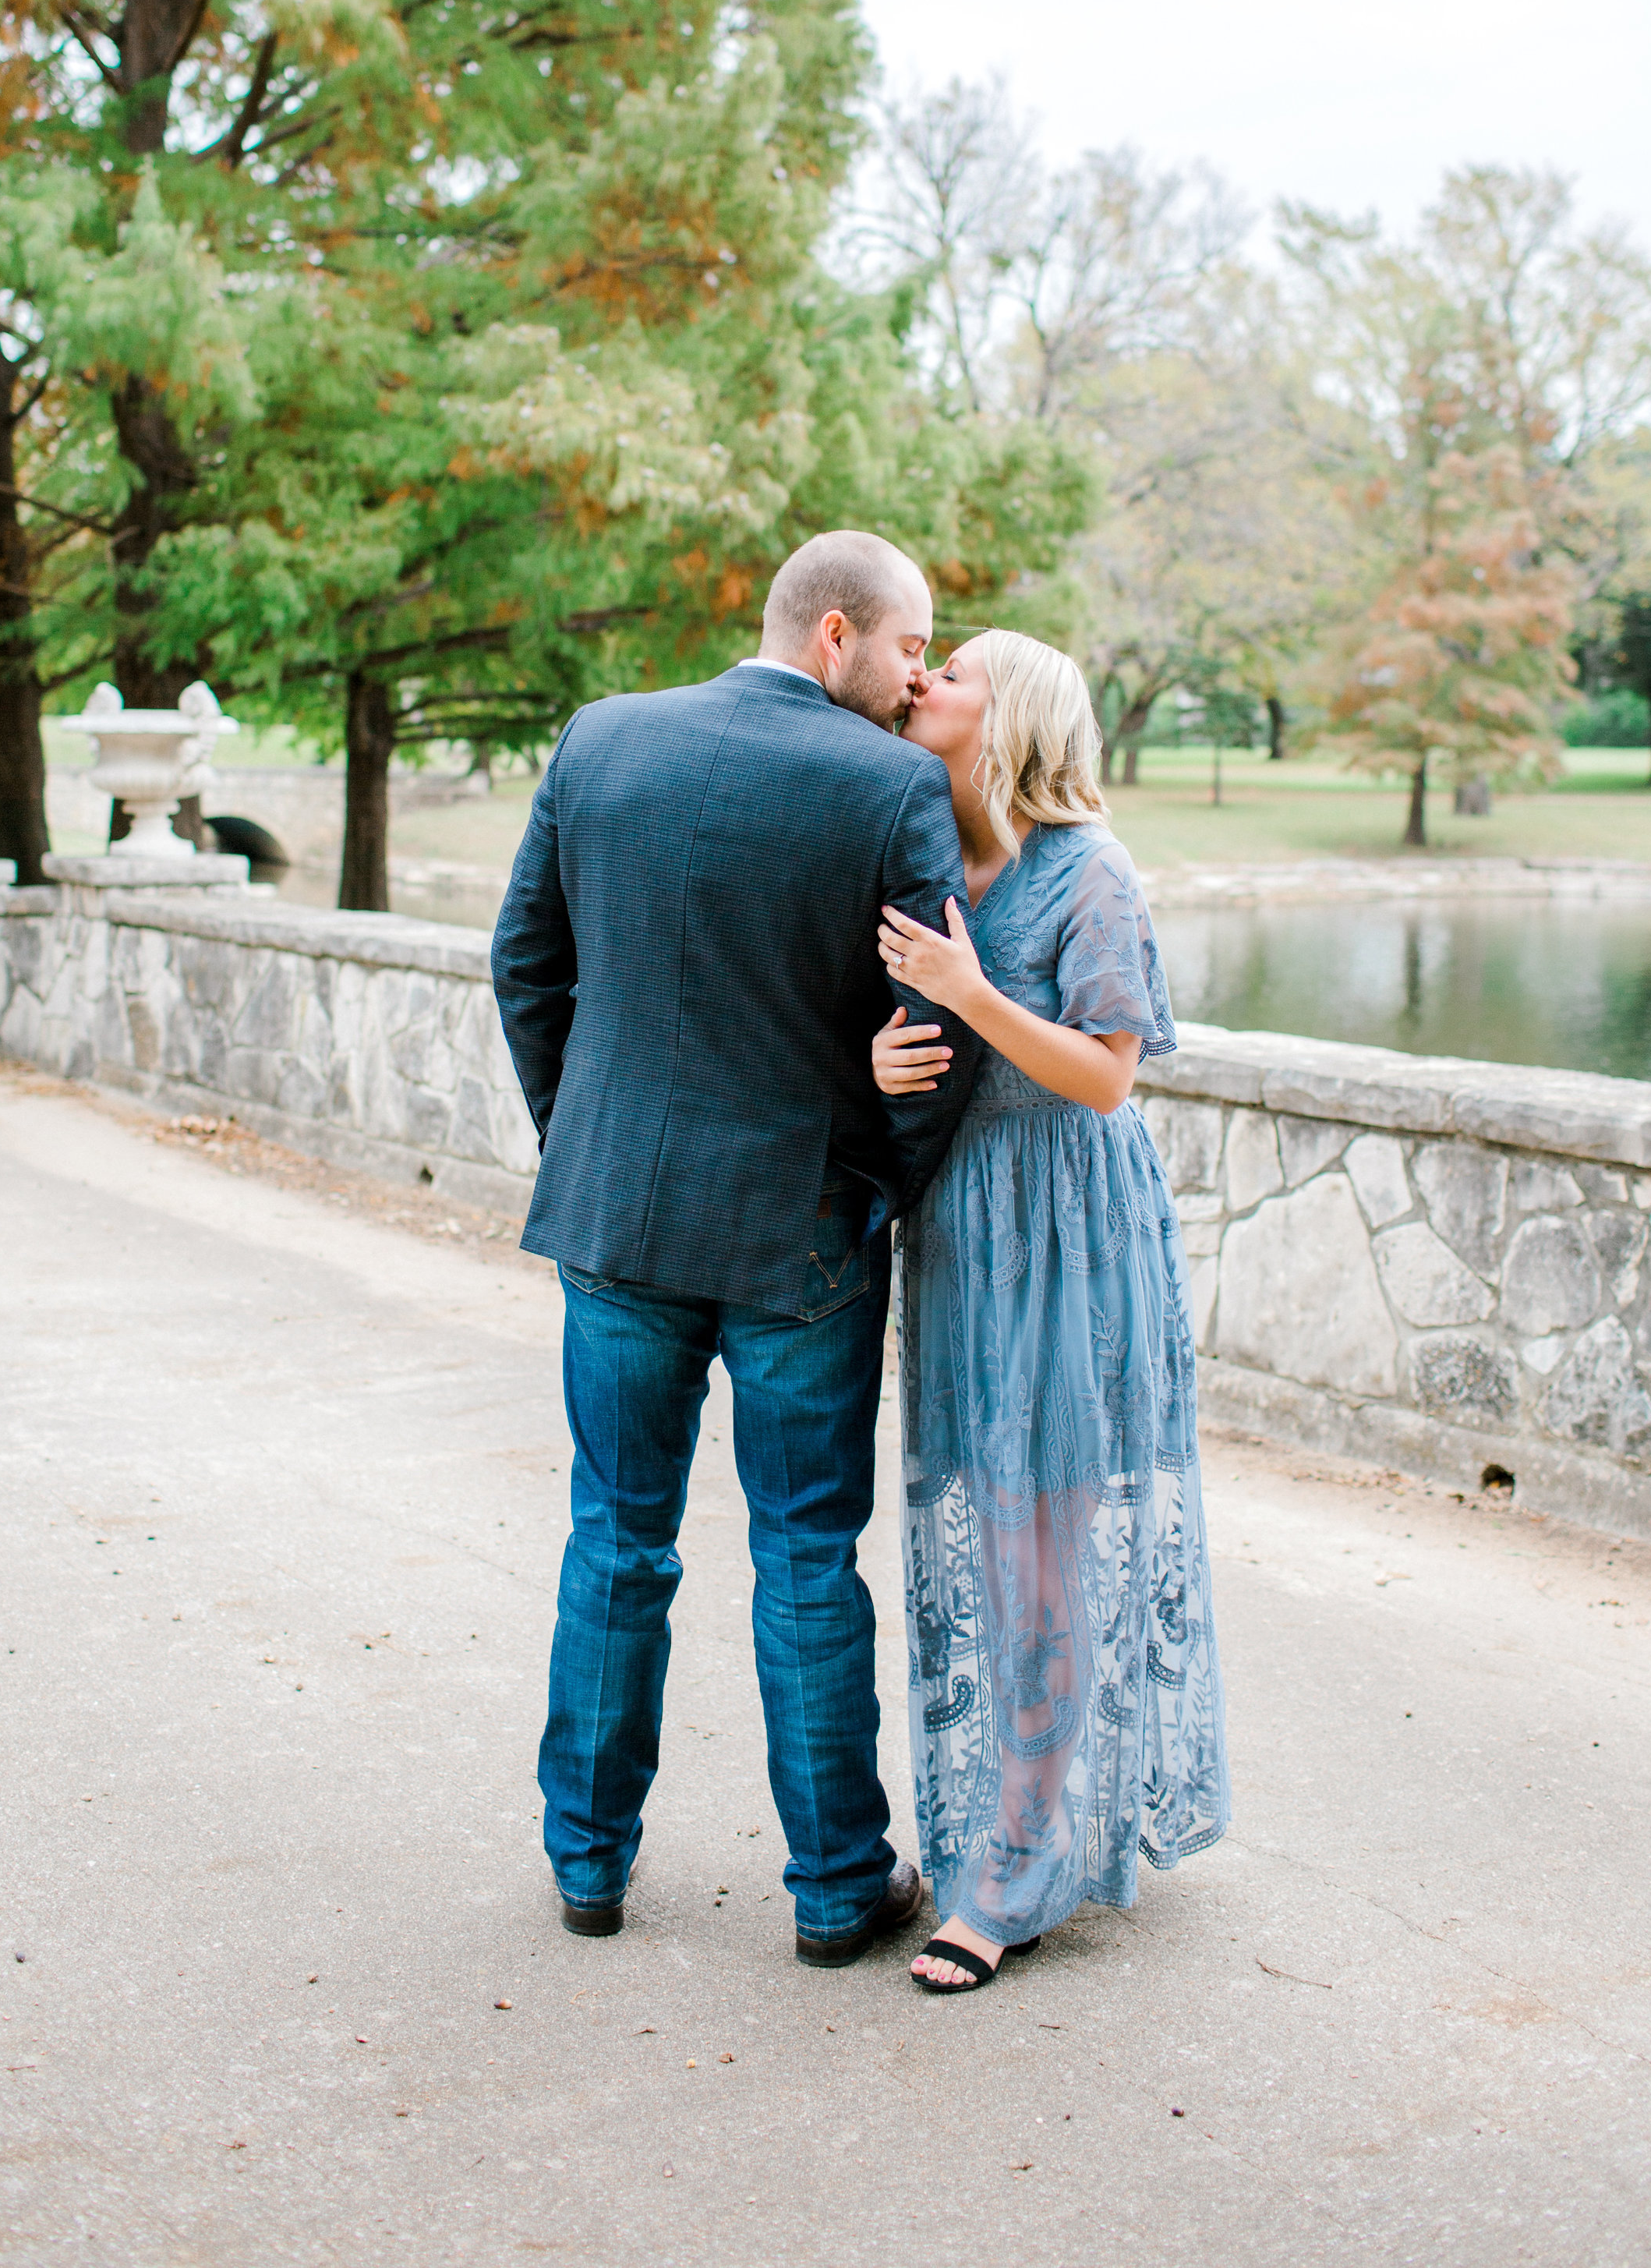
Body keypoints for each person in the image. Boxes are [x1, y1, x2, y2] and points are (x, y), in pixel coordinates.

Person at [490, 532, 983, 1964]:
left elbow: (528, 962)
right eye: (909, 647)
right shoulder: (893, 787)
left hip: (622, 1225)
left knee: (616, 1541)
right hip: (802, 1238)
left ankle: (587, 1864)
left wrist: (580, 1134)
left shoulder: (604, 738)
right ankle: (836, 1888)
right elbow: (934, 1033)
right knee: (807, 1558)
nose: (916, 680)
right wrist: (877, 1180)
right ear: (836, 634)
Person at [870, 628, 1229, 1994]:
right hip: (962, 1227)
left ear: (1010, 713)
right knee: (984, 1519)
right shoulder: (934, 863)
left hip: (1072, 1230)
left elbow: (1107, 1075)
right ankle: (998, 1829)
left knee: (1042, 1544)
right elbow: (912, 1048)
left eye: (951, 672)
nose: (924, 684)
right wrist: (892, 1047)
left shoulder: (1095, 870)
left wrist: (969, 993)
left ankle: (1016, 1868)